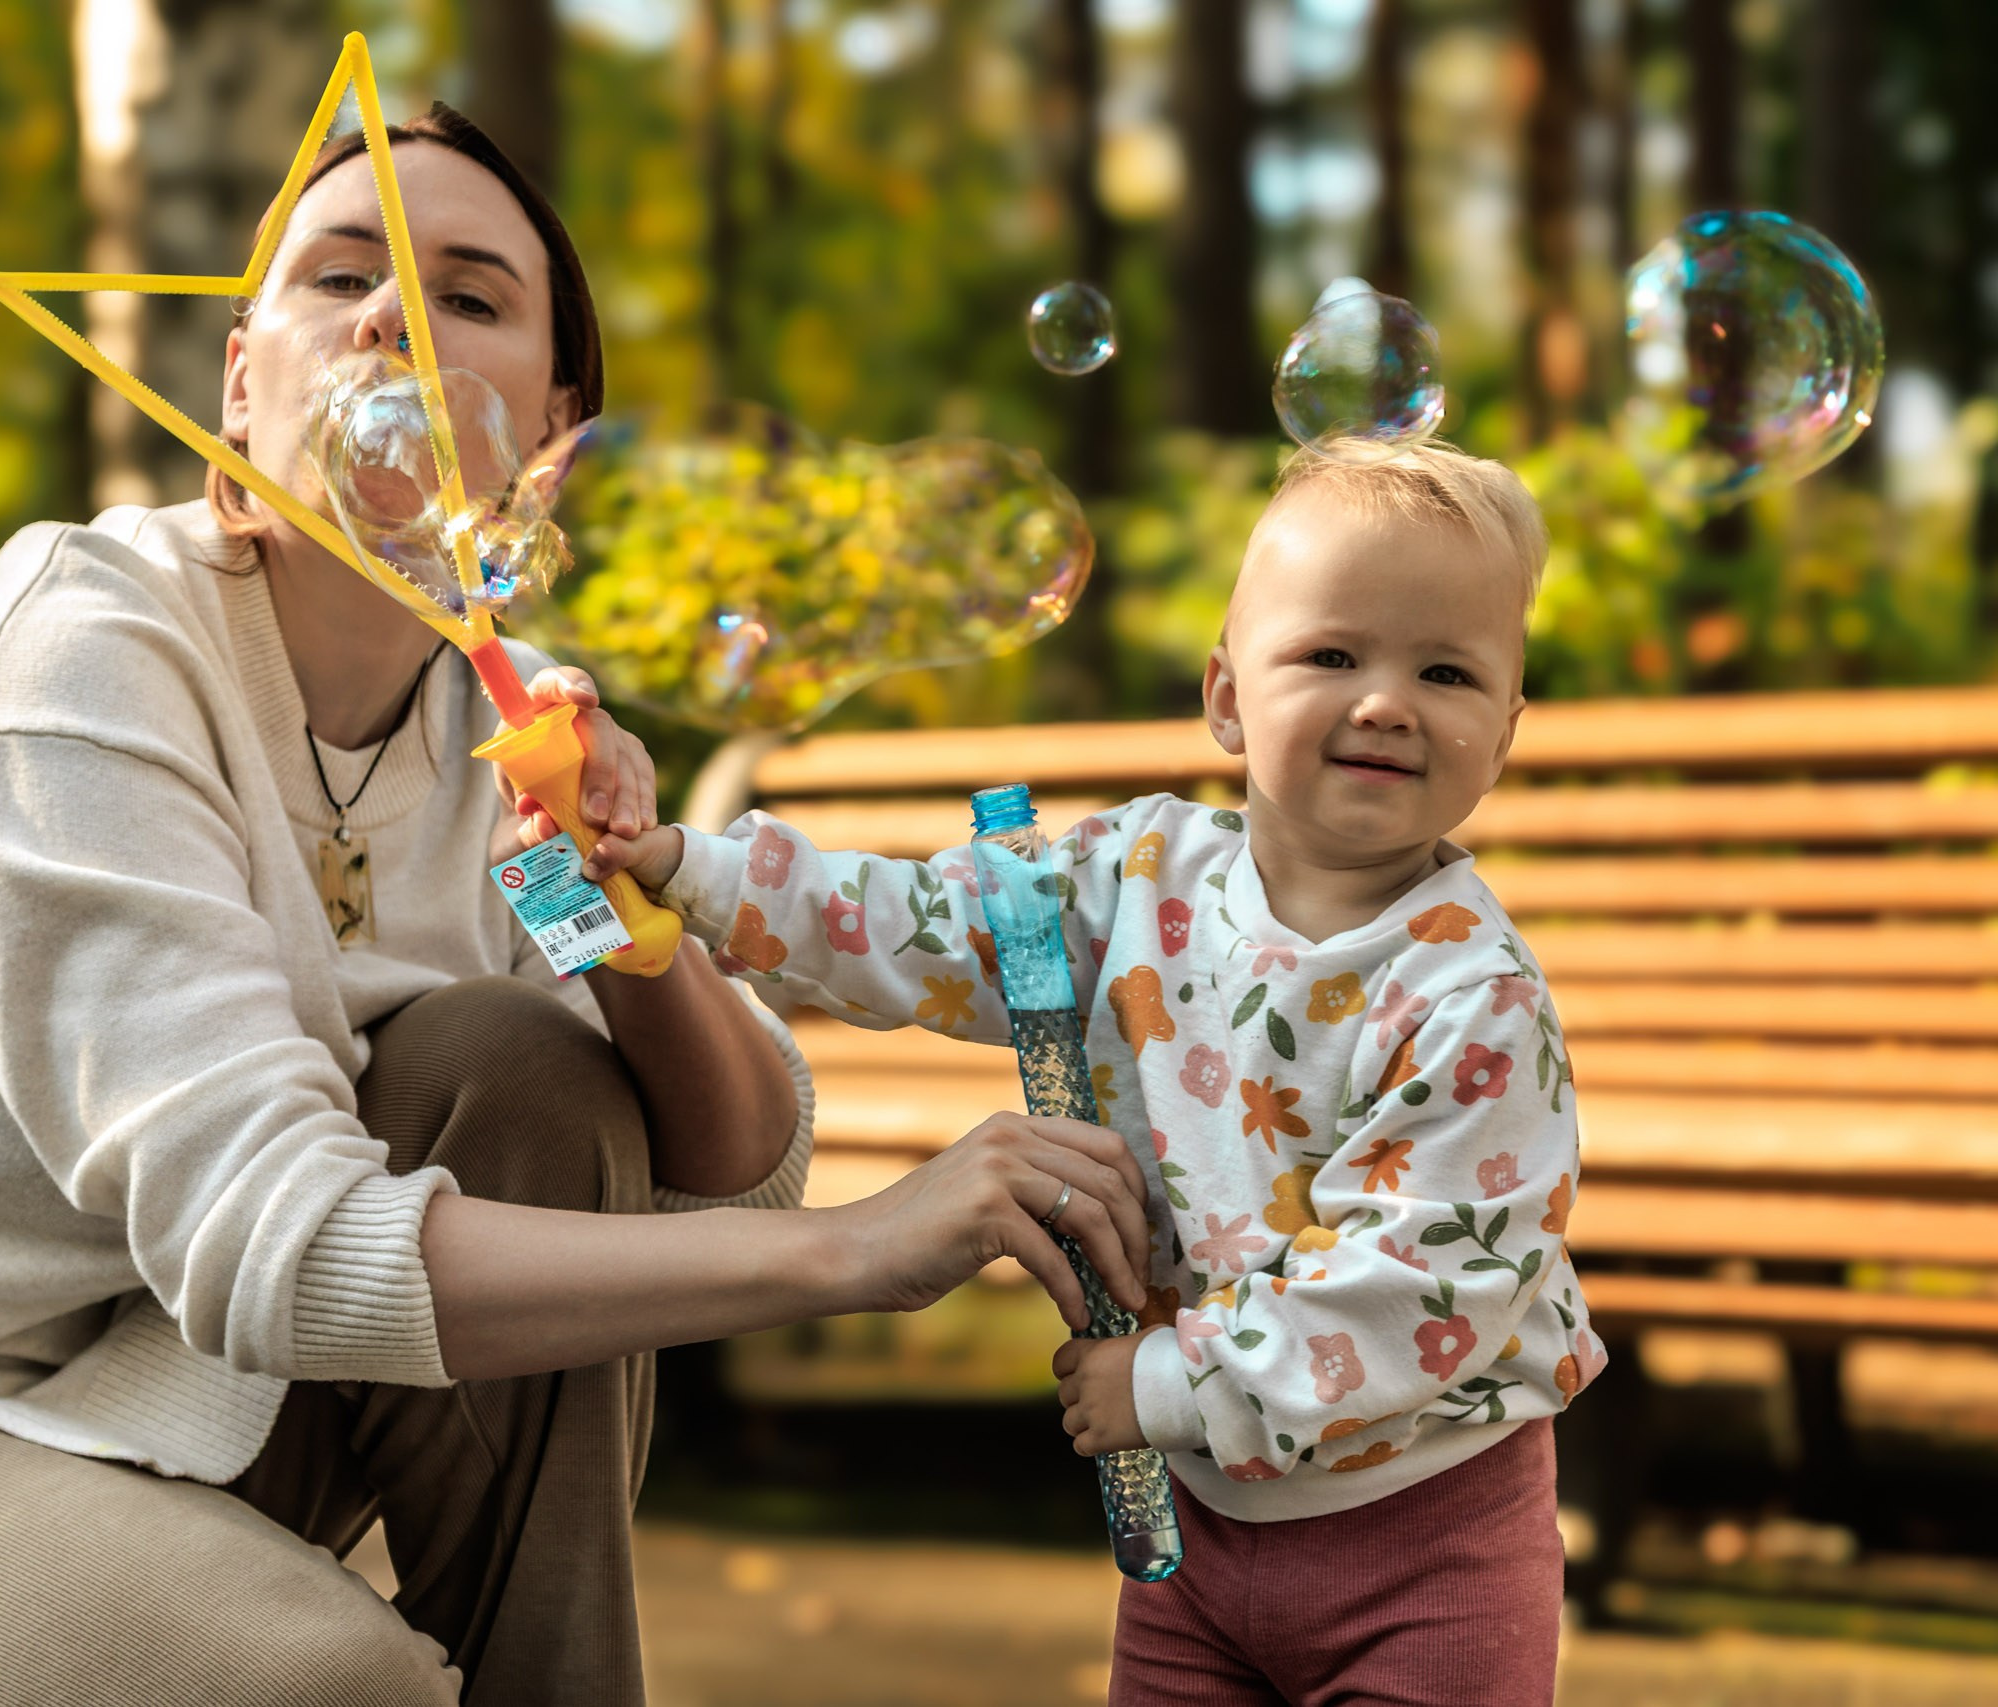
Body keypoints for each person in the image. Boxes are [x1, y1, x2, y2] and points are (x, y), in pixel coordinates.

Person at [0, 105, 1155, 1707]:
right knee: (328, 1688)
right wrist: (854, 1257)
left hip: (136, 1372)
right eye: (339, 279)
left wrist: (622, 908)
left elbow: (734, 1166)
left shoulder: (489, 728)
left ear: (552, 430)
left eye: (468, 295)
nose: (392, 317)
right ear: (242, 377)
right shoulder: (80, 656)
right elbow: (283, 1249)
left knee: (530, 1075)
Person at [596, 440, 1603, 1705]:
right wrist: (691, 870)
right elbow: (915, 922)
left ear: (1503, 732)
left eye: (1445, 671)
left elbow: (1417, 1294)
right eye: (1332, 657)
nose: (1386, 702)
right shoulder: (1135, 878)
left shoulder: (1475, 1001)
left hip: (1425, 1539)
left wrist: (1173, 1381)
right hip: (1194, 1535)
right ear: (1227, 697)